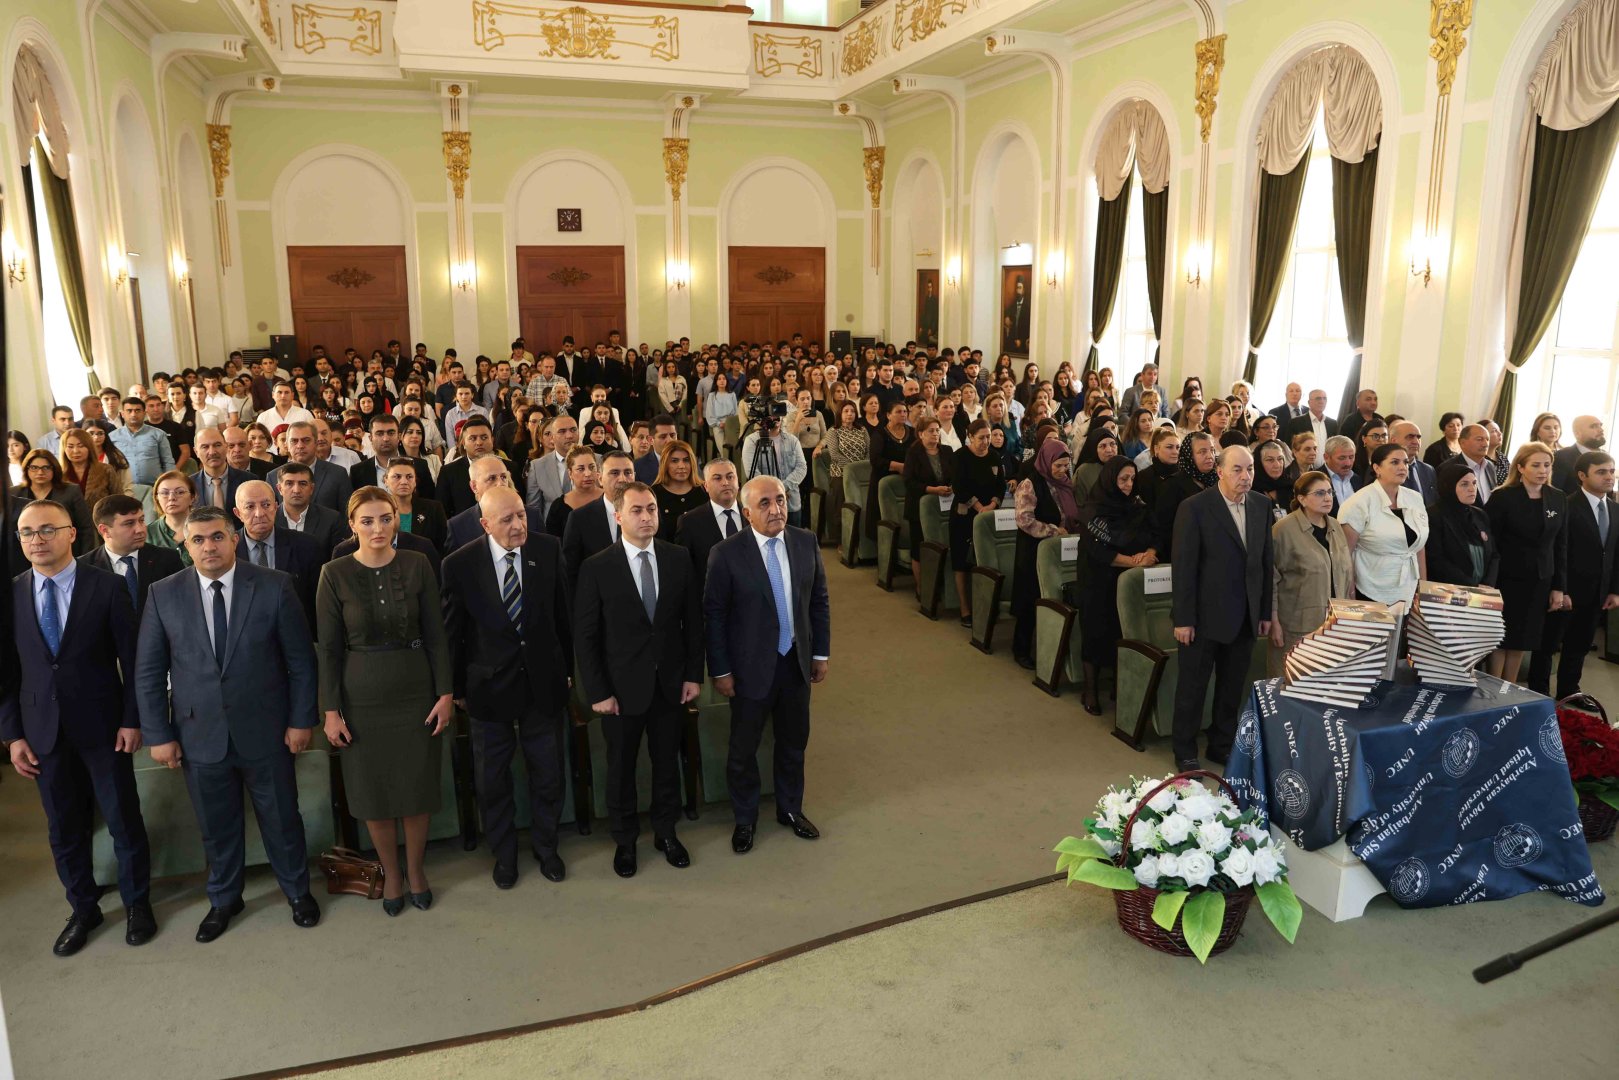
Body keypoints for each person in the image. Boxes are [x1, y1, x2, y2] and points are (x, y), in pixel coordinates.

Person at [134, 506, 322, 942]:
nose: (208, 547)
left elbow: (301, 662)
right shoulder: (164, 593)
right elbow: (148, 670)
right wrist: (158, 735)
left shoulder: (274, 586)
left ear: (234, 538)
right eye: (197, 540)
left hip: (267, 730)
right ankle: (224, 899)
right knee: (216, 825)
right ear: (185, 544)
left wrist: (300, 721)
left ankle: (297, 892)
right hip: (198, 733)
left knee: (281, 818)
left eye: (217, 537)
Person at [3, 500, 153, 956]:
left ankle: (136, 903)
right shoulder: (10, 594)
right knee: (63, 826)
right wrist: (12, 735)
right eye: (27, 533)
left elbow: (133, 660)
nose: (37, 540)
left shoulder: (106, 588)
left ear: (72, 534)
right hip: (41, 731)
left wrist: (132, 719)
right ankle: (83, 908)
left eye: (47, 529)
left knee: (123, 819)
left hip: (104, 726)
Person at [317, 488, 454, 914]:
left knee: (416, 787)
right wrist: (331, 710)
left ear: (397, 520)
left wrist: (445, 692)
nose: (378, 528)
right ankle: (390, 873)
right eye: (368, 520)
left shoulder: (417, 564)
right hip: (361, 697)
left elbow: (437, 635)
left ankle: (416, 870)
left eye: (385, 518)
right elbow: (329, 649)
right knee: (374, 792)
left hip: (416, 690)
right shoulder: (333, 573)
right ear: (353, 525)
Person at [443, 486, 574, 889]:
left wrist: (566, 670)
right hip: (488, 689)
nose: (519, 525)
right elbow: (453, 633)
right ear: (484, 524)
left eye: (521, 515)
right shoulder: (459, 564)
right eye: (507, 519)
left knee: (548, 772)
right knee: (492, 779)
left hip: (543, 683)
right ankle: (504, 855)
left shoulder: (549, 550)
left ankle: (547, 847)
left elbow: (562, 616)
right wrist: (456, 687)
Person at [574, 482, 702, 877]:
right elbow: (587, 636)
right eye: (637, 511)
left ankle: (666, 833)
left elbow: (692, 624)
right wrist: (598, 692)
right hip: (620, 691)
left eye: (652, 509)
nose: (647, 517)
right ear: (618, 516)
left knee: (666, 763)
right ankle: (624, 841)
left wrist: (693, 676)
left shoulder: (678, 558)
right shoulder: (597, 566)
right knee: (621, 768)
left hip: (669, 684)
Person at [704, 475, 830, 854]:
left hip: (795, 662)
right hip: (748, 669)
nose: (776, 509)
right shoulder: (725, 553)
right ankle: (745, 819)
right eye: (764, 503)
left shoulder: (805, 541)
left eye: (780, 499)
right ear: (746, 512)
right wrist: (721, 670)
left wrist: (820, 653)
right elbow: (715, 616)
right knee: (743, 749)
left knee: (793, 742)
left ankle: (790, 809)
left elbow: (818, 601)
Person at [1170, 446, 1274, 771]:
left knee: (1232, 687)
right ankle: (1185, 750)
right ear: (1220, 471)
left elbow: (1264, 563)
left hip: (1244, 615)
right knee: (1193, 687)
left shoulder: (1261, 505)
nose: (1246, 477)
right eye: (1238, 470)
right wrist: (1184, 618)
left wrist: (1264, 612)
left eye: (1250, 469)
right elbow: (1184, 567)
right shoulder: (1195, 508)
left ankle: (1221, 744)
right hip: (1202, 617)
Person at [1530, 451, 1619, 699]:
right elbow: (1559, 551)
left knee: (1579, 645)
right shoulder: (1566, 505)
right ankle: (1539, 693)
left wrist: (1614, 589)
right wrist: (1563, 589)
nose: (1609, 477)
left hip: (1598, 590)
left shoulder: (1615, 509)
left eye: (1611, 471)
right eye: (1601, 472)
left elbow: (1616, 553)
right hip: (1565, 590)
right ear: (1582, 475)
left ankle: (1570, 691)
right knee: (1548, 644)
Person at [1076, 457, 1157, 715]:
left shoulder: (1136, 505)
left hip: (1127, 582)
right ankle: (1090, 689)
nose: (1128, 484)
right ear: (1110, 479)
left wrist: (1149, 553)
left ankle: (1119, 685)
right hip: (1097, 579)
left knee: (1121, 631)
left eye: (1132, 479)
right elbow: (1097, 550)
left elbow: (1152, 534)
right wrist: (1132, 562)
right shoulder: (1093, 509)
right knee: (1095, 631)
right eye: (1123, 479)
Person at [1486, 442, 1568, 682]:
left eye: (1547, 465)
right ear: (1520, 467)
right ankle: (1493, 687)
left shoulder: (1557, 497)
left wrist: (1559, 587)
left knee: (1524, 637)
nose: (1543, 470)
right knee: (1501, 637)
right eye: (1536, 465)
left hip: (1540, 579)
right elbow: (1490, 543)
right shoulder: (1503, 496)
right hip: (1506, 578)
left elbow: (1561, 545)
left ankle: (1509, 689)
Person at [1269, 472, 1355, 672]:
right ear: (1302, 499)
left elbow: (1345, 573)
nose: (1327, 498)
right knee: (1293, 684)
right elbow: (1271, 580)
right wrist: (1274, 623)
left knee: (1327, 687)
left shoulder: (1334, 525)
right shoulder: (1283, 530)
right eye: (1319, 493)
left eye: (1329, 492)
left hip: (1335, 625)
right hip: (1297, 625)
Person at [1010, 440, 1079, 669]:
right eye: (1057, 465)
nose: (1062, 470)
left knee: (1054, 599)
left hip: (1061, 551)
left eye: (1065, 465)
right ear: (1046, 461)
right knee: (1030, 600)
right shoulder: (1030, 484)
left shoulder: (1066, 483)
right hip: (1034, 551)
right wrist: (1053, 531)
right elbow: (1024, 519)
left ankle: (1052, 649)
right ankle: (1021, 649)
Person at [1338, 444, 1429, 607]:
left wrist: (1423, 587)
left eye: (1405, 462)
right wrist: (1349, 594)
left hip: (1409, 587)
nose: (1402, 467)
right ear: (1377, 468)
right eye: (1395, 462)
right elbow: (1345, 555)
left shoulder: (1414, 498)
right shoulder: (1359, 502)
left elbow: (1419, 548)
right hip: (1370, 590)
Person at [233, 480, 324, 627]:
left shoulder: (306, 546)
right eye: (250, 507)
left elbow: (318, 603)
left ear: (276, 507)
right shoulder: (229, 549)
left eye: (266, 505)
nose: (259, 513)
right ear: (238, 513)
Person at [80, 493, 184, 614]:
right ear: (105, 530)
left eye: (141, 520)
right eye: (129, 523)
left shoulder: (167, 559)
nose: (140, 529)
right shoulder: (84, 568)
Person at [950, 419, 1004, 628]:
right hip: (965, 514)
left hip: (988, 516)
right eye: (981, 438)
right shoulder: (960, 457)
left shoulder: (994, 457)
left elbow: (1000, 486)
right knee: (962, 562)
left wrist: (992, 504)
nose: (986, 441)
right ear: (970, 437)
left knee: (987, 561)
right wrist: (978, 507)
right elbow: (959, 486)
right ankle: (965, 609)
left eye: (988, 437)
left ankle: (987, 605)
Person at [562, 450, 639, 591]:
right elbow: (571, 571)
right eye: (614, 473)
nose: (622, 479)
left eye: (628, 472)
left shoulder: (649, 513)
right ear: (600, 478)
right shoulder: (579, 519)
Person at [446, 454, 545, 551]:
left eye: (503, 477)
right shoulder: (457, 527)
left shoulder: (533, 517)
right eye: (492, 478)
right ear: (474, 486)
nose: (500, 483)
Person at [1425, 462, 1500, 588]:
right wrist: (1471, 585)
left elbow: (1493, 554)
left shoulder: (1480, 515)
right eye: (1464, 484)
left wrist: (1488, 584)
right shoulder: (1433, 515)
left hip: (1482, 590)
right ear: (1449, 486)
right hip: (1447, 590)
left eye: (1474, 483)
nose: (1472, 489)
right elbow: (1436, 560)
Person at [12, 448, 96, 557]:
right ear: (26, 469)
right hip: (25, 554)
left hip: (66, 552)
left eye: (46, 468)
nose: (40, 472)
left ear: (54, 469)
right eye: (34, 468)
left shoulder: (71, 491)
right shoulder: (13, 492)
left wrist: (86, 558)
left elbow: (86, 528)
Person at [903, 418, 955, 586]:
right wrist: (933, 490)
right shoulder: (913, 453)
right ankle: (921, 588)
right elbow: (909, 482)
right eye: (931, 430)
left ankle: (942, 585)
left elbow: (956, 475)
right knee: (919, 548)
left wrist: (952, 486)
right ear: (921, 434)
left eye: (937, 430)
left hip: (944, 506)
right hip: (918, 507)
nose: (935, 434)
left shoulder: (947, 451)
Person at [1151, 432, 1217, 558]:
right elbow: (1165, 528)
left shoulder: (1219, 481)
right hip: (1186, 552)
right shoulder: (1172, 485)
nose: (1210, 456)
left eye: (1212, 450)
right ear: (1189, 456)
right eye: (1202, 452)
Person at [268, 421, 352, 515]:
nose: (300, 446)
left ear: (316, 443)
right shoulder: (273, 477)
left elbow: (347, 515)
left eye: (306, 440)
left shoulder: (338, 474)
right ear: (286, 445)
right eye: (294, 441)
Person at [275, 461, 350, 555]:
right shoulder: (270, 518)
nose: (296, 490)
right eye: (289, 483)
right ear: (279, 489)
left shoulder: (331, 519)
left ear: (311, 488)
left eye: (302, 484)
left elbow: (336, 562)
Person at [435, 414, 497, 518]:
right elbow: (441, 512)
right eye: (472, 438)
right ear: (463, 443)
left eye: (484, 437)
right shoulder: (449, 472)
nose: (479, 442)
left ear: (492, 440)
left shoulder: (509, 467)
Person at [109, 395, 175, 490]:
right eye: (129, 411)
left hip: (154, 487)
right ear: (122, 414)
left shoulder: (158, 434)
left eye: (137, 410)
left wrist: (169, 485)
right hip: (124, 489)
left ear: (144, 413)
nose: (133, 414)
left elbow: (168, 462)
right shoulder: (112, 437)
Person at [525, 414, 578, 521]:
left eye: (573, 430)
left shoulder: (598, 461)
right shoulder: (538, 466)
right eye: (562, 431)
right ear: (552, 437)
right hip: (552, 532)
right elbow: (534, 509)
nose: (569, 436)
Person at [59, 427, 129, 507]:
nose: (76, 451)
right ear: (64, 449)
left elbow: (119, 499)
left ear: (89, 447)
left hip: (101, 518)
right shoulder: (59, 473)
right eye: (70, 446)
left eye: (81, 446)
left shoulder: (106, 470)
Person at [653, 439, 707, 542]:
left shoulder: (704, 491)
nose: (681, 466)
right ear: (665, 464)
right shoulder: (653, 494)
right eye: (674, 461)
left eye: (686, 460)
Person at [547, 445, 604, 540]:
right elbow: (554, 544)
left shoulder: (610, 498)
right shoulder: (558, 507)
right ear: (570, 473)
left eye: (592, 467)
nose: (588, 473)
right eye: (581, 469)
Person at [1554, 415, 1606, 494]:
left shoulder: (1606, 457)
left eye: (1600, 426)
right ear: (1577, 433)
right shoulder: (1562, 457)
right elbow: (1555, 493)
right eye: (1593, 426)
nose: (1601, 430)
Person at [1390, 421, 1438, 504]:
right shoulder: (1385, 469)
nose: (1416, 442)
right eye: (1410, 437)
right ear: (1394, 441)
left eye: (1418, 437)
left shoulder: (1428, 470)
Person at [1071, 428, 1119, 505]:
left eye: (1112, 444)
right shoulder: (1084, 471)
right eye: (1102, 446)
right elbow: (1080, 504)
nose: (1109, 450)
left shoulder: (1122, 465)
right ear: (1094, 449)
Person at [1320, 435, 1365, 516]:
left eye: (1351, 457)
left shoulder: (1356, 479)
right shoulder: (1315, 480)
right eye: (1342, 458)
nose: (1348, 463)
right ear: (1326, 457)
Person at [1452, 423, 1496, 504]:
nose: (1485, 444)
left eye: (1487, 439)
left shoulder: (1490, 466)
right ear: (1462, 443)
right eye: (1479, 439)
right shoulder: (1450, 468)